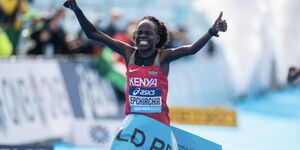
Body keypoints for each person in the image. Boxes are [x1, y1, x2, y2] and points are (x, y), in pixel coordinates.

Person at [64, 0, 227, 149]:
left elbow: (191, 50)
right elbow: (94, 35)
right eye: (139, 32)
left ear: (157, 38)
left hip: (158, 128)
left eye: (148, 33)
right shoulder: (128, 53)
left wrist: (212, 31)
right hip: (133, 128)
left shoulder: (163, 57)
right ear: (134, 37)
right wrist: (77, 10)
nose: (142, 36)